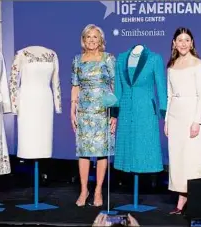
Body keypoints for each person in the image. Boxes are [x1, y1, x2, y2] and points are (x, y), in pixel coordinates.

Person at [71, 24, 116, 207]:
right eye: (88, 36)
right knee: (83, 152)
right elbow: (75, 86)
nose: (91, 40)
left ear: (101, 40)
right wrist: (72, 110)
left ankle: (98, 191)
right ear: (83, 39)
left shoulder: (108, 59)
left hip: (103, 112)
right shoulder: (77, 60)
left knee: (102, 153)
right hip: (84, 112)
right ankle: (84, 190)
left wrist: (114, 114)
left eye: (95, 37)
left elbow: (114, 86)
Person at [165, 27, 201, 214]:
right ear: (174, 43)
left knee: (192, 159)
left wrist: (196, 121)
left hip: (191, 115)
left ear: (192, 43)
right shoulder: (171, 66)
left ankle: (196, 200)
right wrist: (167, 120)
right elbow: (169, 95)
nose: (183, 43)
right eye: (180, 40)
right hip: (175, 117)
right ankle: (181, 202)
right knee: (177, 160)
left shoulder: (199, 65)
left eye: (187, 40)